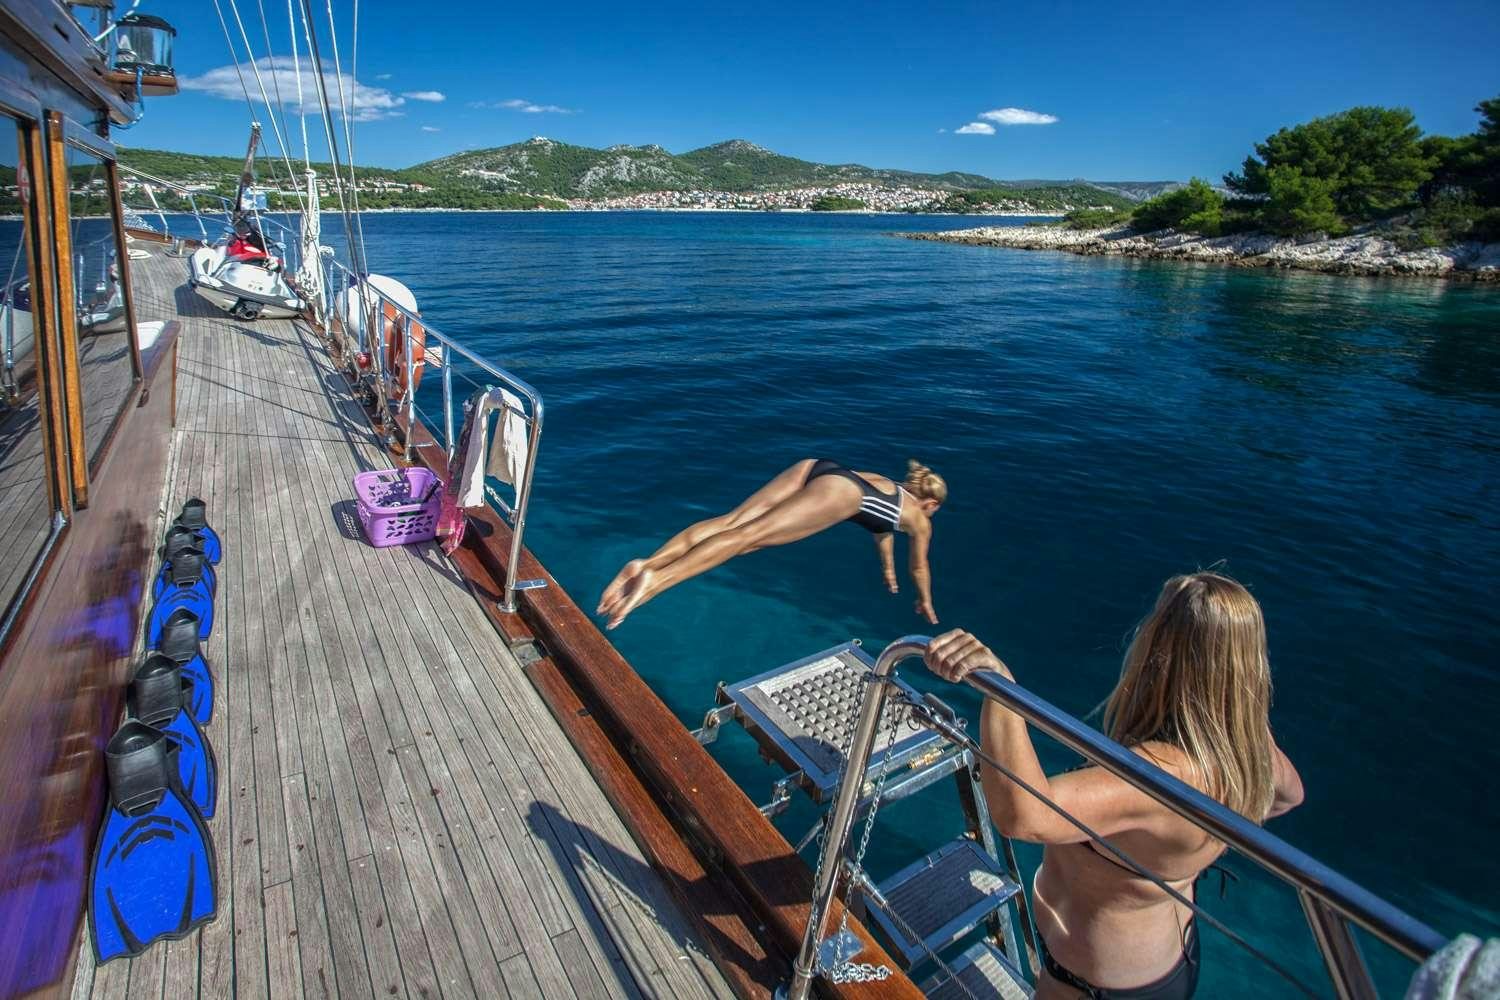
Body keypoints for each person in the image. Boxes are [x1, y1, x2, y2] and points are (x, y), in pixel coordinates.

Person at [922, 572, 1304, 999]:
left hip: (1092, 984)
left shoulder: (1159, 777)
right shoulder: (1244, 749)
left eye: (1156, 618)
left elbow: (1023, 816)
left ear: (1161, 648)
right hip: (1169, 960)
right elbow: (1290, 796)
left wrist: (1001, 692)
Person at [597, 458, 947, 630]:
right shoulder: (919, 520)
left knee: (732, 524)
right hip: (842, 494)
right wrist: (926, 600)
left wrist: (887, 570)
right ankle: (654, 583)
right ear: (930, 504)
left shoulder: (892, 488)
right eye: (934, 512)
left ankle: (646, 565)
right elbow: (919, 565)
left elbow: (881, 532)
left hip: (819, 468)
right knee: (747, 538)